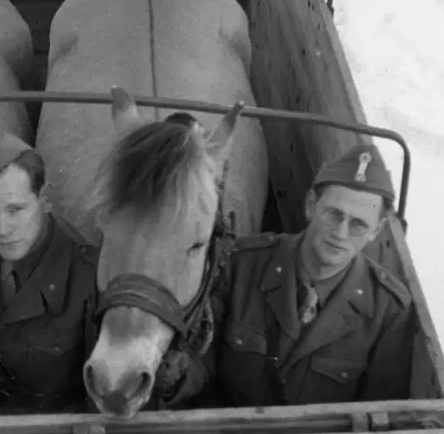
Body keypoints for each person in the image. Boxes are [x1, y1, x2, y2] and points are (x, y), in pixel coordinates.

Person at [161, 142, 416, 408]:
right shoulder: (241, 264)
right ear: (311, 205)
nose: (340, 233)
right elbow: (203, 358)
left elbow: (380, 408)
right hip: (226, 427)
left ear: (376, 231)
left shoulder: (387, 309)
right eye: (333, 214)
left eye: (358, 224)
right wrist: (176, 381)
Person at [0, 133, 99, 415]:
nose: (2, 230)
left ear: (45, 200)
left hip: (53, 430)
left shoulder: (87, 277)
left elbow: (98, 394)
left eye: (15, 209)